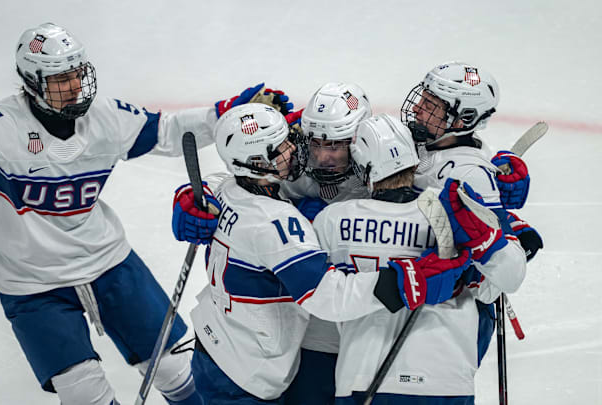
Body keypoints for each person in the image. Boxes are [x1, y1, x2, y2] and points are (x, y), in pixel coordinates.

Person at [0, 22, 290, 405]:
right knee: (84, 395)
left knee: (177, 371)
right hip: (31, 285)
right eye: (61, 79)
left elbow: (168, 130)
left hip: (110, 264)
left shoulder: (106, 116)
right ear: (31, 81)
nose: (76, 86)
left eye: (78, 73)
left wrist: (229, 114)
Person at [171, 104, 478, 404]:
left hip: (217, 342)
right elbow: (328, 295)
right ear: (257, 163)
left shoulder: (229, 190)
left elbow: (214, 181)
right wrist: (406, 281)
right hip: (248, 370)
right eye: (282, 147)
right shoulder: (276, 222)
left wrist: (190, 194)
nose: (296, 149)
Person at [312, 114, 528, 404]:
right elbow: (498, 286)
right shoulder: (455, 208)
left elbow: (319, 300)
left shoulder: (332, 219)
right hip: (446, 380)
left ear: (362, 167)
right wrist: (494, 226)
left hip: (362, 376)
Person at [400, 61, 543, 361]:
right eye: (422, 98)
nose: (417, 109)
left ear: (463, 118)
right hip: (419, 304)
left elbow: (499, 268)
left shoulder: (471, 173)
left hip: (454, 318)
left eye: (430, 104)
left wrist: (506, 222)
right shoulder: (428, 146)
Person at [279, 82, 373, 405]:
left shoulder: (387, 159)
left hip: (369, 326)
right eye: (317, 144)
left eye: (335, 146)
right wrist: (205, 199)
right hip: (311, 328)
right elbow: (238, 181)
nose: (322, 157)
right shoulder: (295, 162)